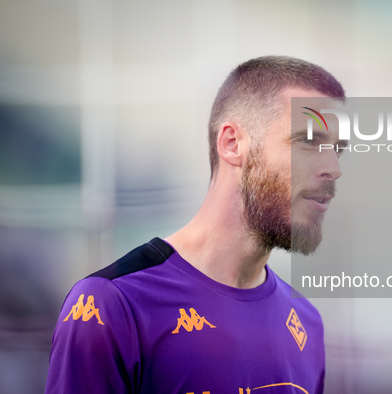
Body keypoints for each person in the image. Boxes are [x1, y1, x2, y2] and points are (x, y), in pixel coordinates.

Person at [45, 56, 345, 394]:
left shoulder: (306, 322)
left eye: (338, 149)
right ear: (232, 144)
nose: (333, 168)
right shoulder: (111, 304)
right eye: (308, 140)